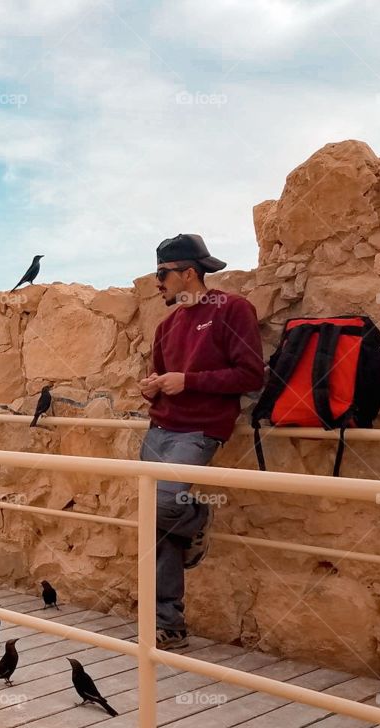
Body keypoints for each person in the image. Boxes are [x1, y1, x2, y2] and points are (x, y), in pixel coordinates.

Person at [140, 234, 264, 650]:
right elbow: (162, 376)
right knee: (159, 531)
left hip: (199, 430)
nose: (156, 282)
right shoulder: (166, 325)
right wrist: (153, 387)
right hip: (160, 430)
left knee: (165, 505)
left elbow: (251, 376)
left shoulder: (232, 310)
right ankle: (169, 625)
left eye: (162, 274)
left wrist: (188, 381)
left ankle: (197, 519)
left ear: (188, 273)